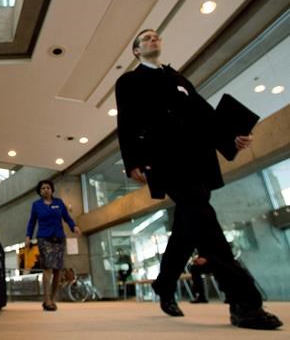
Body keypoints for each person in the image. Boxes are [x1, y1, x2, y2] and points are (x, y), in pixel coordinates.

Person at [114, 29, 282, 330]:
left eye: (156, 36)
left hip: (198, 161)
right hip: (167, 160)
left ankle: (164, 284)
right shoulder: (129, 81)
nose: (153, 39)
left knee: (188, 227)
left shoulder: (178, 78)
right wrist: (132, 161)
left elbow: (205, 116)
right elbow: (126, 121)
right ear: (136, 51)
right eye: (146, 38)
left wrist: (232, 139)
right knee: (204, 221)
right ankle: (244, 301)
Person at [25, 180, 81, 311]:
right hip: (44, 238)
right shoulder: (36, 205)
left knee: (58, 270)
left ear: (52, 190)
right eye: (43, 188)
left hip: (59, 238)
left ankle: (53, 298)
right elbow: (32, 222)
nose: (46, 190)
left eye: (48, 188)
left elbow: (67, 217)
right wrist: (28, 236)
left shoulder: (59, 203)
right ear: (40, 191)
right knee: (47, 268)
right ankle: (46, 299)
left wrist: (74, 226)